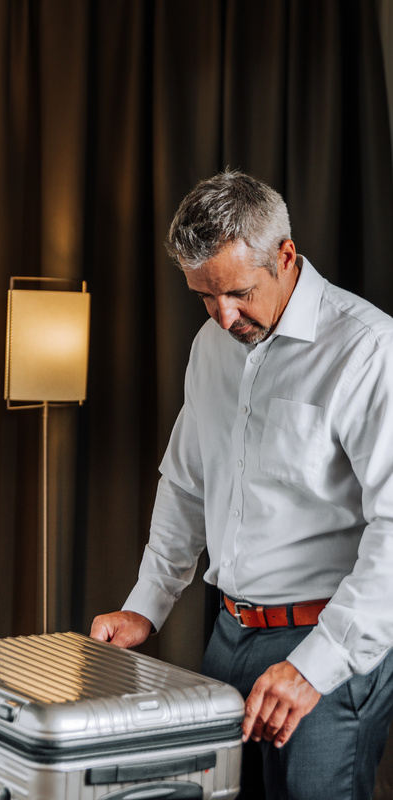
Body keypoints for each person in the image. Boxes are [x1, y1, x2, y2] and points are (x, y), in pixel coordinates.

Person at [90, 169, 393, 800]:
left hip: (326, 641)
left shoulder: (367, 349)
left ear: (286, 256)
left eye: (238, 292)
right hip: (227, 636)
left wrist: (315, 665)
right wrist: (146, 605)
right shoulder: (211, 346)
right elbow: (185, 484)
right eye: (204, 296)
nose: (224, 316)